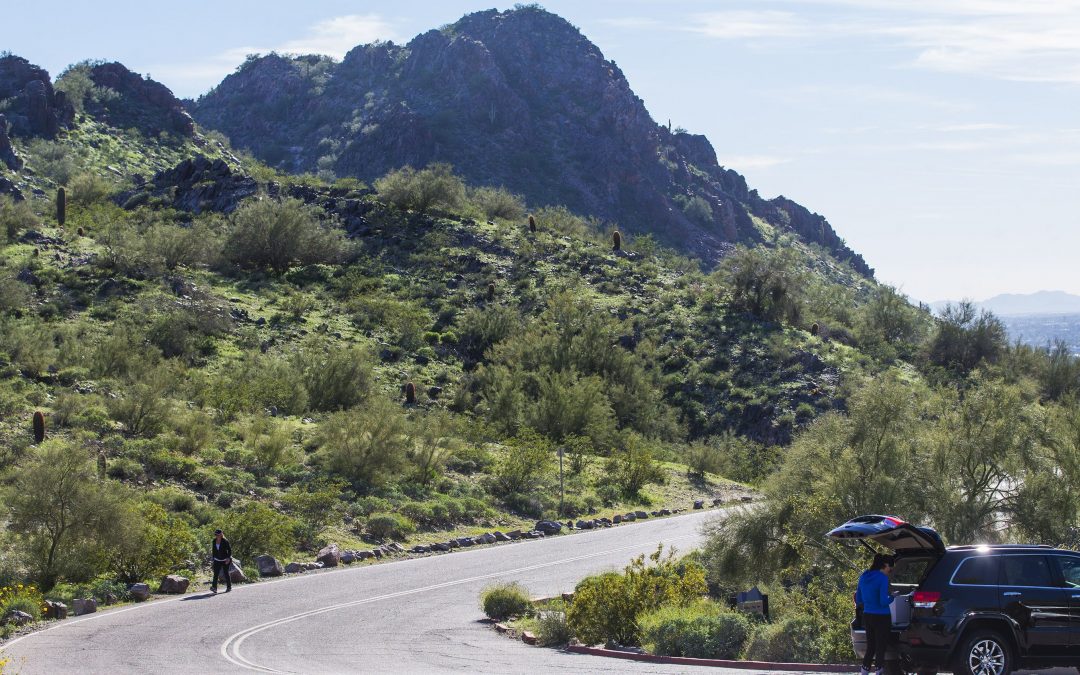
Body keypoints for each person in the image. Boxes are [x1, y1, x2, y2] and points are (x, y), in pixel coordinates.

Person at [856, 553, 894, 675]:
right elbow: (883, 601)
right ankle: (879, 671)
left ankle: (864, 671)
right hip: (882, 616)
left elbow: (858, 599)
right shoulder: (882, 578)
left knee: (871, 646)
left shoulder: (863, 576)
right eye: (890, 567)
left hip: (867, 615)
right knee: (880, 646)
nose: (890, 570)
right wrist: (892, 597)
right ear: (885, 565)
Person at [211, 528, 232, 594]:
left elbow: (229, 550)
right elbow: (213, 550)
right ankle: (214, 588)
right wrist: (213, 558)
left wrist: (228, 558)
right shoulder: (214, 541)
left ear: (221, 534)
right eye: (215, 534)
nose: (216, 536)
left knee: (226, 573)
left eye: (217, 534)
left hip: (225, 559)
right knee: (216, 574)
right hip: (217, 560)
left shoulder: (225, 541)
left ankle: (229, 587)